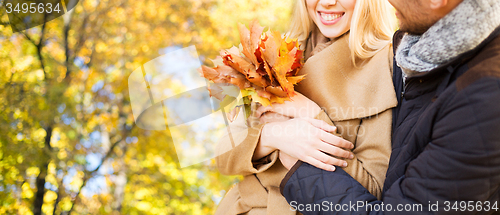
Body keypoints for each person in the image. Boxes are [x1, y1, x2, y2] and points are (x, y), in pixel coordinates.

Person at [280, 0, 500, 214]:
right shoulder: (423, 60)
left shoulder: (482, 100)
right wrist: (271, 135)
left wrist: (300, 167)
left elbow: (383, 191)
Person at [214, 0, 398, 214]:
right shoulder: (280, 51)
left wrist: (310, 113)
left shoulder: (385, 64)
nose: (328, 2)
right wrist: (273, 135)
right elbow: (224, 156)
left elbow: (372, 191)